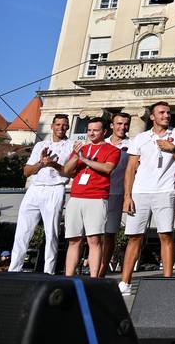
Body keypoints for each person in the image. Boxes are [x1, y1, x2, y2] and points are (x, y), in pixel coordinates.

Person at [118, 102, 175, 295]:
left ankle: (167, 282)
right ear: (152, 116)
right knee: (134, 237)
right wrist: (127, 196)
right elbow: (130, 169)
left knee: (166, 235)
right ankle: (125, 282)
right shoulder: (141, 138)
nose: (166, 115)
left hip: (165, 191)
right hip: (141, 192)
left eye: (168, 112)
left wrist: (173, 149)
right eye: (161, 112)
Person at [9, 114, 72, 274]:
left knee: (51, 233)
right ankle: (14, 269)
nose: (61, 127)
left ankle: (48, 271)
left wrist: (52, 163)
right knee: (22, 231)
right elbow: (26, 171)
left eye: (64, 125)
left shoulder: (71, 145)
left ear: (68, 127)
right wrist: (41, 163)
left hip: (55, 188)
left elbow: (69, 173)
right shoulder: (40, 145)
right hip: (35, 188)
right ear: (52, 126)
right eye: (58, 124)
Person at [61, 117, 121, 276]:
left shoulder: (112, 150)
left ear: (104, 132)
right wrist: (76, 157)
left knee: (94, 240)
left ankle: (94, 279)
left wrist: (84, 160)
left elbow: (107, 169)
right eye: (89, 130)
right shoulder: (81, 148)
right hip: (76, 196)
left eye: (95, 130)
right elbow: (66, 171)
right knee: (73, 240)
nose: (91, 133)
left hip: (96, 197)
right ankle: (68, 277)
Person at [100, 112, 130, 278]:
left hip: (117, 194)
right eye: (119, 124)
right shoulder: (101, 143)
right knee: (92, 234)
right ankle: (89, 269)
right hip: (97, 193)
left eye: (125, 124)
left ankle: (102, 271)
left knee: (109, 234)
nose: (122, 127)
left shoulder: (131, 145)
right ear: (111, 125)